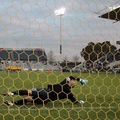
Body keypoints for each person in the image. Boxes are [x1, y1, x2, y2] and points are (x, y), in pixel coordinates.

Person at [3, 76, 88, 106]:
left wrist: (80, 80)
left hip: (46, 92)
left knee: (29, 91)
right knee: (29, 99)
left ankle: (11, 93)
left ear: (72, 84)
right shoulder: (69, 93)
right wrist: (79, 102)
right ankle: (12, 103)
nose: (73, 81)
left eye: (74, 82)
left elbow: (71, 76)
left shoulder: (64, 84)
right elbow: (74, 101)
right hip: (46, 100)